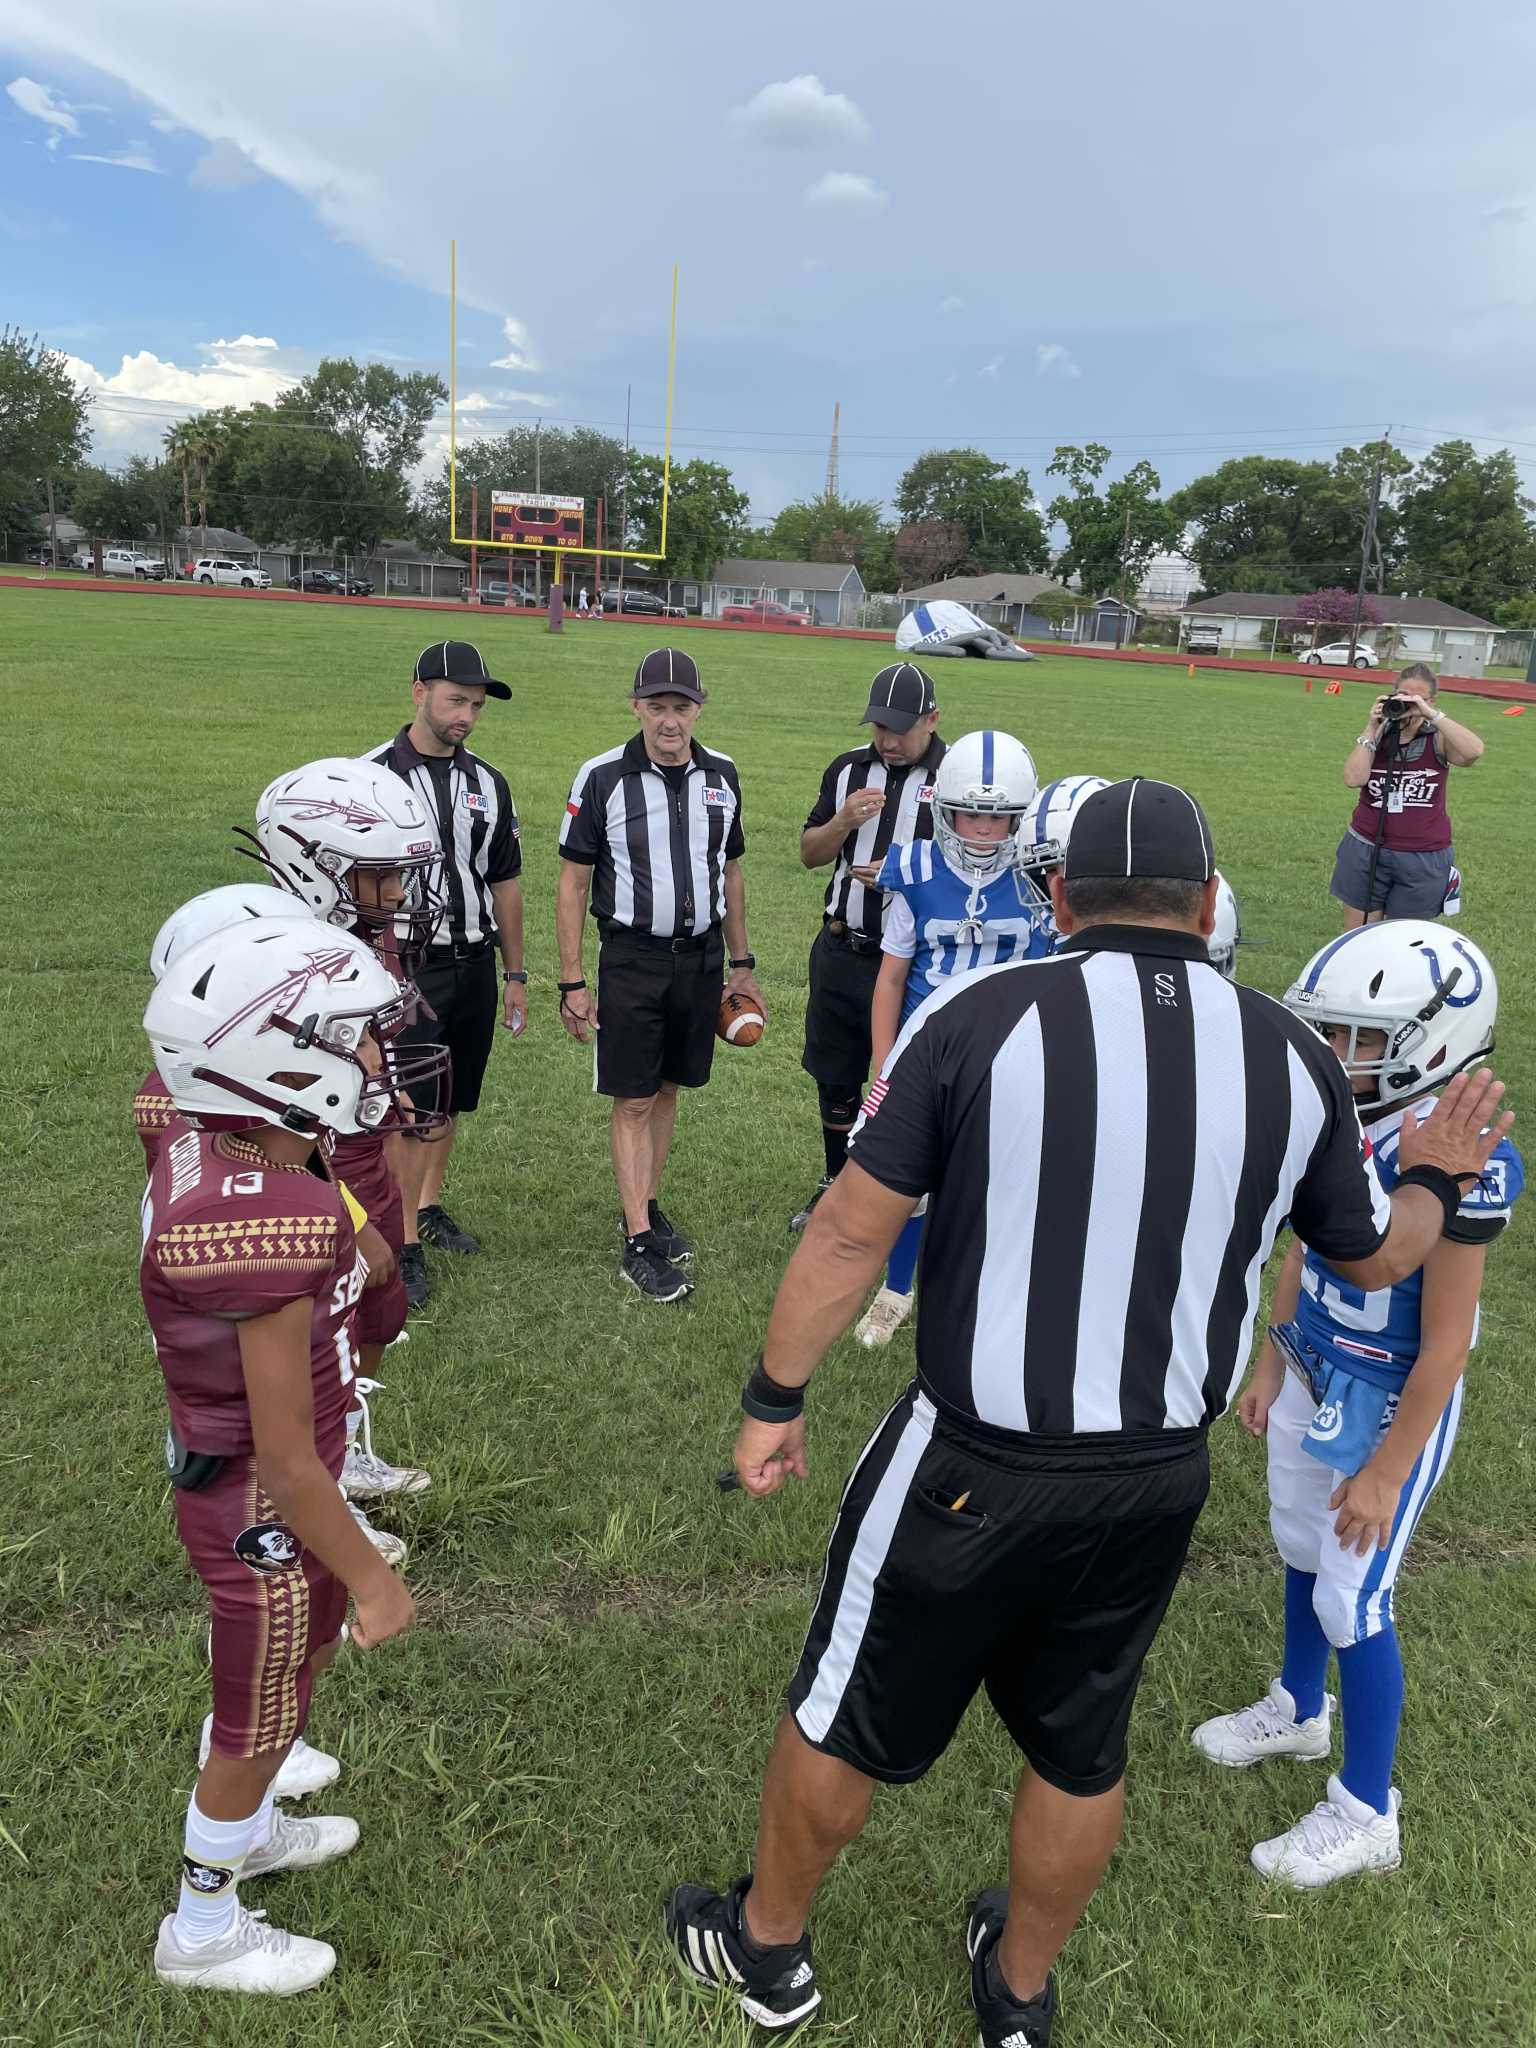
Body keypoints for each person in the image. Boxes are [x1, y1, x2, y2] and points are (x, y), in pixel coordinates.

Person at [663, 777, 1512, 2046]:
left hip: (973, 1453)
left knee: (847, 1703)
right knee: (1079, 1742)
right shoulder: (1287, 1053)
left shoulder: (976, 1011)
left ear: (1057, 898)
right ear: (1212, 901)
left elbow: (851, 1228)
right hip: (1156, 1474)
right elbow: (1381, 1257)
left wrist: (775, 1398)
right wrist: (1438, 1177)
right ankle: (1015, 1991)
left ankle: (767, 1946)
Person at [1192, 922, 1522, 1887]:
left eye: (1361, 1041)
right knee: (1299, 1549)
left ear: (1435, 1040)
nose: (1337, 1059)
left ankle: (1369, 1808)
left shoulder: (1475, 1159)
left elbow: (1447, 1341)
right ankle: (1299, 1708)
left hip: (1388, 1406)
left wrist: (1386, 1470)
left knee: (1353, 1594)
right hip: (1315, 1373)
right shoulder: (1344, 1121)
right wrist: (1272, 1362)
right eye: (1328, 1035)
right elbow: (1303, 1249)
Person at [142, 922, 418, 1995]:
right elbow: (290, 1459)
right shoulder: (262, 1217)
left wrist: (346, 1210)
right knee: (258, 1715)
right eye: (347, 1038)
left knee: (287, 1680)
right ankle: (202, 1927)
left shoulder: (206, 1129)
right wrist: (375, 1574)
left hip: (255, 1482)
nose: (371, 1059)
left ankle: (248, 1832)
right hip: (261, 1498)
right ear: (271, 1058)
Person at [136, 880, 416, 1573]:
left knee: (342, 1349)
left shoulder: (226, 1113)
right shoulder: (253, 1202)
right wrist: (349, 1225)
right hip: (250, 1443)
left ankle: (336, 1463)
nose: (372, 1054)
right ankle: (319, 1501)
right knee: (299, 1393)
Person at [253, 756, 456, 1504]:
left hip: (359, 1139)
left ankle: (335, 1452)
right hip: (308, 1161)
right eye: (381, 875)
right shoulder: (271, 957)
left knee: (379, 1305)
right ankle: (300, 1485)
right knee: (313, 1323)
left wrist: (380, 1082)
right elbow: (269, 1112)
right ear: (315, 865)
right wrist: (342, 1209)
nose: (401, 893)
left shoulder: (355, 928)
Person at [556, 647, 763, 1301]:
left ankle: (643, 1203)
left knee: (670, 1088)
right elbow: (573, 881)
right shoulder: (603, 777)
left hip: (699, 958)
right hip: (633, 958)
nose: (669, 721)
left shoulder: (722, 775)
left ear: (699, 708)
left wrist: (742, 963)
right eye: (657, 707)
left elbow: (729, 872)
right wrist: (571, 980)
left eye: (681, 707)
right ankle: (638, 1238)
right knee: (635, 1097)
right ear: (636, 706)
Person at [854, 728, 1050, 1348]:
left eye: (1001, 819)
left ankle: (986, 1289)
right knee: (908, 1182)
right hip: (925, 1053)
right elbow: (890, 979)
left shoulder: (1043, 877)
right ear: (944, 810)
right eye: (971, 815)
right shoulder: (914, 869)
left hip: (1013, 1053)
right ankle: (897, 1287)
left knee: (1006, 1179)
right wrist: (883, 1066)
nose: (985, 832)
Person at [365, 641, 527, 1311]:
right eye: (456, 700)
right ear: (418, 692)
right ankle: (400, 1242)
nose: (466, 715)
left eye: (476, 706)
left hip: (472, 961)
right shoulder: (368, 778)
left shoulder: (487, 782)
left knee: (450, 1098)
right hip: (405, 968)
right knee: (408, 1109)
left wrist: (516, 971)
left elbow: (505, 880)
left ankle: (428, 1206)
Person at [791, 661, 945, 1234]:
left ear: (932, 719)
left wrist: (905, 874)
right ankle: (837, 1182)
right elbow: (809, 854)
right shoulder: (848, 769)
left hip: (912, 963)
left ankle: (907, 1195)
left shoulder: (952, 777)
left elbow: (970, 866)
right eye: (880, 726)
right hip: (841, 948)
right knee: (835, 1076)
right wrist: (840, 822)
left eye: (901, 727)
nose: (889, 740)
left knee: (909, 1083)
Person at [1332, 663, 1483, 928]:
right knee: (1358, 937)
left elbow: (1473, 752)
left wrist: (1431, 715)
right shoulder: (1379, 735)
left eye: (1417, 698)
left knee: (1403, 938)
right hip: (1367, 847)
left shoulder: (1438, 738)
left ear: (1431, 701)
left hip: (1423, 854)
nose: (1408, 704)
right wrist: (1371, 728)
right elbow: (1353, 779)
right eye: (1402, 695)